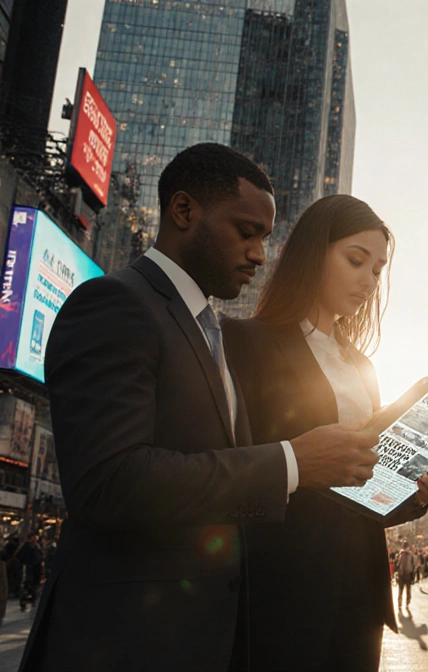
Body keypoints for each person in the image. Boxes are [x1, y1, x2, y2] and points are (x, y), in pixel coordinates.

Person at [20, 143, 380, 672]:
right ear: (184, 212)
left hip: (212, 632)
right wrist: (293, 462)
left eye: (264, 237)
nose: (259, 253)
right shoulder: (114, 304)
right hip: (128, 639)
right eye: (246, 231)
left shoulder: (208, 330)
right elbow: (107, 482)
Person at [222, 193, 428, 671]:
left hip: (361, 590)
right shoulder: (246, 342)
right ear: (314, 253)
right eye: (356, 260)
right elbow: (232, 467)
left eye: (378, 269)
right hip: (281, 584)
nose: (369, 280)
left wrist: (417, 492)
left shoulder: (362, 366)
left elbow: (365, 495)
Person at [16, 534, 43, 613]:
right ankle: (30, 599)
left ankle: (27, 600)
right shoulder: (32, 546)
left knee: (29, 585)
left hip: (30, 568)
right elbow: (38, 557)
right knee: (32, 584)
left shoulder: (27, 546)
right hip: (33, 568)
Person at [396, 542, 417, 610]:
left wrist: (412, 574)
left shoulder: (410, 555)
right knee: (401, 589)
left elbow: (413, 565)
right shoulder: (400, 554)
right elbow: (397, 564)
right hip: (402, 574)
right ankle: (400, 602)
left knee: (406, 589)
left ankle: (407, 601)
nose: (406, 549)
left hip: (407, 574)